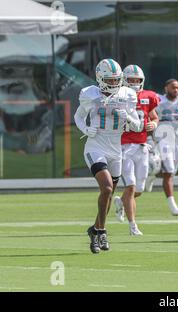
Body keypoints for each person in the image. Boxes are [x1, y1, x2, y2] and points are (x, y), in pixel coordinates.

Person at [74, 58, 141, 253]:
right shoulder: (90, 95)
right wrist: (86, 129)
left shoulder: (127, 95)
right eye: (110, 80)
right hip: (95, 147)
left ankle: (94, 230)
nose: (114, 84)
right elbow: (78, 115)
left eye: (116, 80)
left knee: (109, 194)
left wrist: (127, 117)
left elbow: (137, 125)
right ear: (100, 79)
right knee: (107, 187)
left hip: (115, 150)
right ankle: (102, 231)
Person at [113, 64, 160, 236]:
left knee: (138, 190)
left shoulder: (148, 96)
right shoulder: (117, 96)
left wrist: (153, 123)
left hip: (142, 147)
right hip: (124, 147)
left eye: (137, 80)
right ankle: (133, 226)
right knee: (131, 187)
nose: (134, 83)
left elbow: (154, 116)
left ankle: (121, 202)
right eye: (131, 80)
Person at [154, 79, 178, 216]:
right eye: (173, 88)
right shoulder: (159, 100)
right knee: (169, 170)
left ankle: (152, 173)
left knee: (170, 171)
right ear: (166, 88)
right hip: (164, 137)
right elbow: (153, 117)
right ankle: (172, 205)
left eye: (177, 88)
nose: (176, 90)